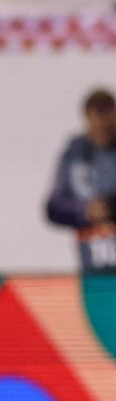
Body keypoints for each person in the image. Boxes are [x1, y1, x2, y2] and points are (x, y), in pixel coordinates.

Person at [46, 88, 116, 273]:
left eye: (108, 127)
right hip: (92, 265)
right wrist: (86, 211)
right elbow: (53, 207)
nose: (103, 132)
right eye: (97, 127)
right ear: (87, 119)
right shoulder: (75, 155)